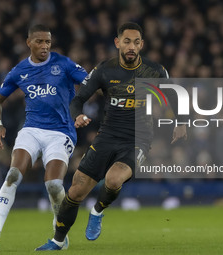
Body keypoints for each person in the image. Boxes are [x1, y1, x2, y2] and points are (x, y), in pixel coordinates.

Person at [36, 22, 187, 251]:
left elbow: (176, 96)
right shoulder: (105, 70)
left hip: (138, 140)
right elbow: (77, 99)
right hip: (107, 136)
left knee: (114, 179)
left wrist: (181, 122)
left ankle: (97, 211)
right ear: (117, 43)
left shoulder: (155, 71)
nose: (131, 47)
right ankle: (57, 241)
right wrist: (77, 115)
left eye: (136, 42)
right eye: (127, 41)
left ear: (142, 45)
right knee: (75, 191)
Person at [0, 24, 88, 252]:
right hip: (32, 130)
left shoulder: (64, 64)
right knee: (13, 174)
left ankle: (60, 233)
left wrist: (80, 111)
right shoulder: (19, 71)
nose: (45, 46)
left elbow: (90, 83)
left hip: (61, 132)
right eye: (40, 41)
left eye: (48, 42)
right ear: (29, 43)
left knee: (54, 185)